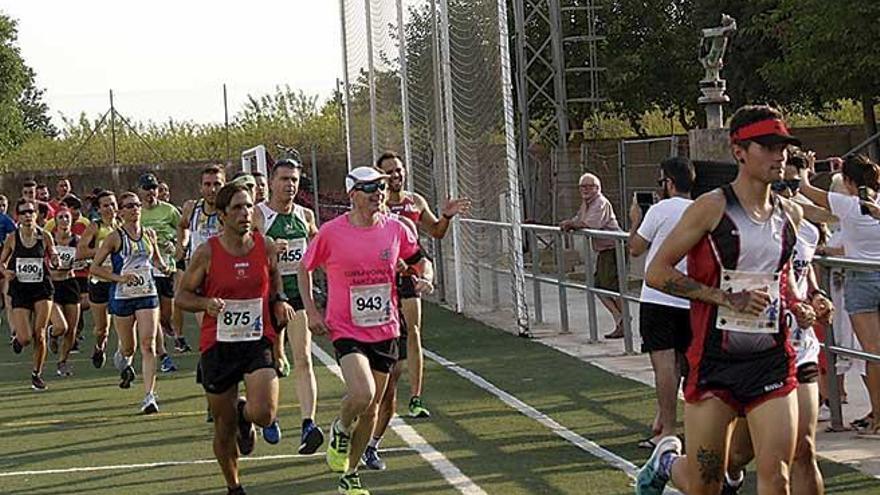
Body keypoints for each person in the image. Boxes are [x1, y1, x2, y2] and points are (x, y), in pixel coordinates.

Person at [636, 105, 816, 495]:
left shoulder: (791, 216)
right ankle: (667, 461)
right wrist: (722, 297)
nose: (778, 156)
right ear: (739, 151)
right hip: (715, 361)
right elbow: (657, 271)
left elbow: (780, 278)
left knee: (777, 476)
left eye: (782, 147)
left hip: (771, 359)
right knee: (706, 484)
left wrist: (800, 303)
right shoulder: (711, 207)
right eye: (766, 146)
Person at [299, 166, 433, 495]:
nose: (378, 193)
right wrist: (312, 310)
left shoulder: (396, 229)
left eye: (382, 187)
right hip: (346, 328)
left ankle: (350, 473)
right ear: (352, 194)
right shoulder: (331, 232)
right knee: (363, 393)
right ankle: (340, 427)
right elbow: (304, 268)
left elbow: (420, 258)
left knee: (372, 408)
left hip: (385, 328)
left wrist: (425, 276)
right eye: (370, 187)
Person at [721, 150, 834, 495]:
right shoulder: (740, 225)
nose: (788, 192)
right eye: (783, 185)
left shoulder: (808, 231)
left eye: (794, 184)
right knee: (741, 451)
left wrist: (816, 298)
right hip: (756, 350)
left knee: (804, 449)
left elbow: (804, 274)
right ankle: (731, 476)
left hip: (800, 350)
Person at [177, 182, 294, 495]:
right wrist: (205, 304)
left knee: (265, 413)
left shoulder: (264, 245)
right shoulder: (206, 253)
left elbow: (274, 276)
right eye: (237, 208)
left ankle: (247, 414)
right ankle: (234, 486)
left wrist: (280, 299)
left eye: (249, 207)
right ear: (222, 215)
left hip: (257, 339)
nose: (245, 214)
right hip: (219, 344)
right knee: (223, 426)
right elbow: (182, 297)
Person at [375, 151, 470, 419]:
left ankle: (416, 397)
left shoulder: (414, 201)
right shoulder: (375, 204)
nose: (396, 175)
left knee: (414, 331)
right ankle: (380, 391)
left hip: (411, 273)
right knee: (386, 336)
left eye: (399, 169)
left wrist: (447, 216)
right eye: (390, 171)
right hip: (381, 278)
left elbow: (437, 232)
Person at [798, 153, 880, 435]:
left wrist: (807, 170)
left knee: (872, 352)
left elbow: (806, 191)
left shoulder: (848, 205)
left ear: (847, 181)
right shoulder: (874, 205)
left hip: (860, 280)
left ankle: (878, 418)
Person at [253, 157, 323, 452]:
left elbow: (322, 247)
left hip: (297, 295)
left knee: (304, 358)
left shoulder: (305, 216)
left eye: (294, 180)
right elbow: (242, 250)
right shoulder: (258, 214)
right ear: (271, 182)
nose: (289, 185)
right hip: (265, 297)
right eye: (284, 179)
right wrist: (267, 249)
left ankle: (309, 424)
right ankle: (269, 416)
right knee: (265, 366)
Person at [627, 157, 694, 449]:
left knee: (664, 365)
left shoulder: (659, 210)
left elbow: (635, 248)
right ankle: (686, 425)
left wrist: (635, 220)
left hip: (658, 297)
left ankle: (667, 429)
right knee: (687, 363)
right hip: (691, 297)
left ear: (668, 183)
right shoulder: (701, 209)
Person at [90, 191, 169, 413]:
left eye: (137, 205)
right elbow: (95, 268)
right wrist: (119, 278)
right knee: (129, 348)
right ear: (121, 212)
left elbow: (155, 259)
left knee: (148, 344)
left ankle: (149, 396)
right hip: (123, 296)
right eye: (129, 206)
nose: (135, 209)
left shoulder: (149, 234)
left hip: (147, 294)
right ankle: (122, 359)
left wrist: (164, 267)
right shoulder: (114, 237)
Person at [1, 198, 59, 391]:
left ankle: (37, 373)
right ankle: (17, 339)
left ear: (36, 215)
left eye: (31, 212)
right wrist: (6, 272)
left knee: (40, 333)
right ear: (18, 216)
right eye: (24, 212)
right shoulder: (12, 238)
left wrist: (56, 262)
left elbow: (53, 255)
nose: (28, 215)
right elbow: (1, 263)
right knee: (25, 338)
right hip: (20, 289)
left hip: (42, 287)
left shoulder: (45, 236)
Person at [560, 173, 626, 338]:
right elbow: (579, 219)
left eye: (590, 186)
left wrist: (571, 224)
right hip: (605, 250)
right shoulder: (586, 204)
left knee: (611, 287)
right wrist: (569, 223)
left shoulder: (600, 203)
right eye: (583, 186)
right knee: (598, 286)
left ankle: (623, 321)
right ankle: (620, 320)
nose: (586, 190)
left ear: (598, 188)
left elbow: (589, 224)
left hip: (613, 248)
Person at [138, 172, 190, 356]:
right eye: (146, 188)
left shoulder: (169, 210)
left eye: (153, 188)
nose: (150, 192)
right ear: (140, 190)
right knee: (153, 309)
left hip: (166, 266)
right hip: (145, 266)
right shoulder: (136, 212)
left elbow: (184, 228)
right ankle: (161, 352)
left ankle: (167, 329)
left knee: (167, 312)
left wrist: (179, 245)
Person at [76, 190, 120, 369]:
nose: (110, 208)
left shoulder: (123, 226)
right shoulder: (95, 227)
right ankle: (99, 346)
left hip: (118, 281)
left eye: (112, 204)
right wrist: (104, 250)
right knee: (102, 329)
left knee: (125, 323)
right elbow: (80, 252)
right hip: (99, 282)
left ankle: (125, 359)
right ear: (99, 209)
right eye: (105, 205)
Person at [178, 164, 226, 320]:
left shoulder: (231, 211)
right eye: (208, 184)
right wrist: (182, 244)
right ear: (200, 187)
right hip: (199, 276)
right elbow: (182, 225)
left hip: (223, 275)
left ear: (225, 185)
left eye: (217, 184)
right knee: (206, 327)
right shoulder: (192, 208)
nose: (212, 190)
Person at [48, 207, 82, 377]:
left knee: (72, 330)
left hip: (70, 283)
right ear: (55, 221)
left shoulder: (77, 241)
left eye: (67, 217)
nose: (64, 220)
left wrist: (82, 262)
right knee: (61, 326)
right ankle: (52, 333)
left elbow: (85, 258)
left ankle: (62, 362)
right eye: (60, 217)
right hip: (52, 285)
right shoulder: (49, 241)